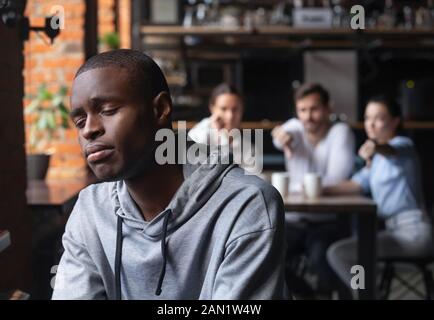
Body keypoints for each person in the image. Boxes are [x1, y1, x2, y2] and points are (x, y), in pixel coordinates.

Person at [51, 49, 287, 300]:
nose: (89, 130)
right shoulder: (91, 210)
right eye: (79, 122)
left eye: (108, 110)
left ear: (160, 109)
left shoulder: (247, 205)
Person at [325, 95, 433, 298]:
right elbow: (355, 184)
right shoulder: (375, 161)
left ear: (395, 121)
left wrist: (376, 147)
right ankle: (367, 292)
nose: (371, 124)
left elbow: (392, 150)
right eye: (367, 118)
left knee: (340, 253)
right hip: (396, 232)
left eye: (379, 118)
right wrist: (318, 189)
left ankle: (365, 294)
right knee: (351, 251)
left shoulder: (403, 145)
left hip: (415, 234)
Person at [271, 83, 355, 296]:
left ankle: (329, 294)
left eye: (314, 109)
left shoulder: (340, 132)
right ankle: (308, 296)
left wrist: (299, 186)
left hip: (328, 222)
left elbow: (337, 178)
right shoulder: (296, 128)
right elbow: (283, 134)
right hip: (293, 221)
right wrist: (282, 137)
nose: (308, 116)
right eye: (302, 110)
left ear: (329, 108)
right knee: (265, 255)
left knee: (323, 260)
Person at [188, 83, 257, 174]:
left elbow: (252, 179)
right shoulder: (197, 136)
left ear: (242, 109)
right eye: (223, 109)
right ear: (212, 108)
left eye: (235, 109)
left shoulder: (248, 147)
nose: (230, 116)